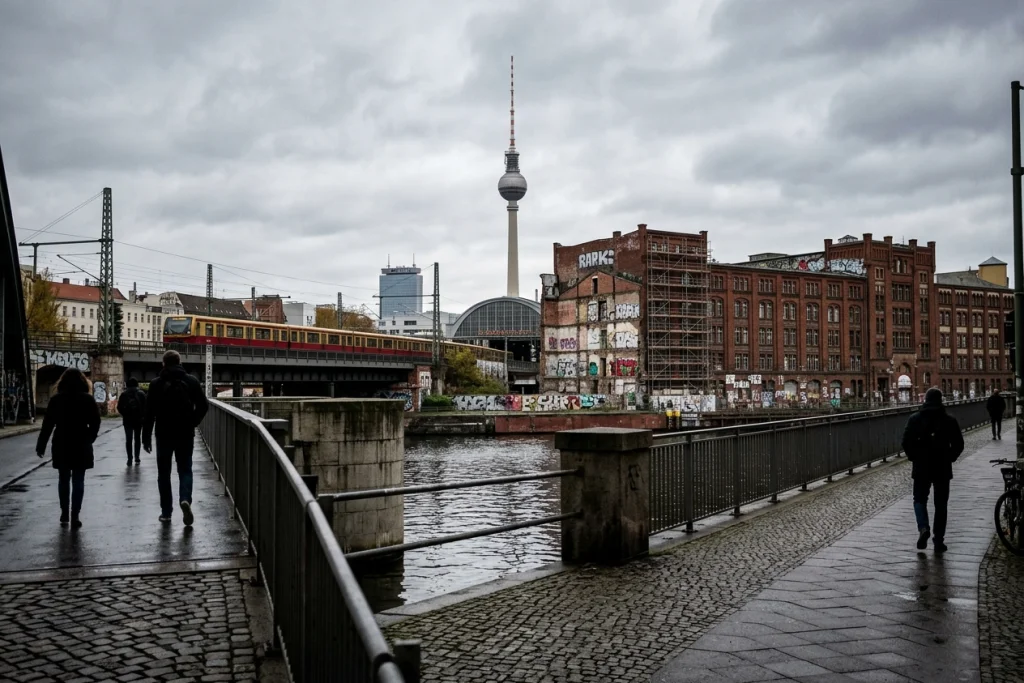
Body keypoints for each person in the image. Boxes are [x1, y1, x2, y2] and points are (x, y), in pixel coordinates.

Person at [142, 350, 208, 526]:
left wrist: (145, 437)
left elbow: (148, 413)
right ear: (180, 362)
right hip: (185, 433)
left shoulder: (156, 384)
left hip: (163, 433)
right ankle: (185, 499)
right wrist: (193, 422)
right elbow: (203, 405)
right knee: (185, 469)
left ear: (163, 364)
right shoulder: (191, 381)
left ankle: (166, 512)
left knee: (163, 473)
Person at [35, 368, 101, 528]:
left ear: (62, 382)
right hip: (81, 441)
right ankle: (75, 514)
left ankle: (64, 513)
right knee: (79, 479)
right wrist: (89, 438)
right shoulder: (88, 399)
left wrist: (41, 444)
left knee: (63, 478)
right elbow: (96, 422)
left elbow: (48, 424)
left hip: (61, 441)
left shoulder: (56, 400)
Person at [901, 388, 965, 553]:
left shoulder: (915, 419)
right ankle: (938, 541)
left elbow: (906, 441)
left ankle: (923, 528)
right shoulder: (949, 420)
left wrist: (913, 457)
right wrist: (950, 457)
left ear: (925, 400)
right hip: (942, 466)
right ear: (940, 400)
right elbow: (959, 444)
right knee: (941, 504)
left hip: (922, 466)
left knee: (919, 500)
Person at [116, 378, 147, 466]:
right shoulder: (141, 394)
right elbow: (146, 407)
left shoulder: (124, 394)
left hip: (127, 421)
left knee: (128, 439)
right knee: (137, 439)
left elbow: (119, 407)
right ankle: (137, 457)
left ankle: (130, 458)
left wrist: (125, 414)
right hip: (138, 420)